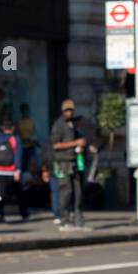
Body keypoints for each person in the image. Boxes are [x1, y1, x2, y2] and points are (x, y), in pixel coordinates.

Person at [49, 98, 86, 229]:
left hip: (74, 161)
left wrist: (80, 147)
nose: (69, 112)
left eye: (71, 110)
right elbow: (55, 145)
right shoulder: (59, 125)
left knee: (78, 191)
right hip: (63, 162)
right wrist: (75, 143)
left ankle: (78, 217)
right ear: (63, 111)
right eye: (67, 110)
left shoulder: (72, 125)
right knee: (66, 191)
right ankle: (64, 217)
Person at [0, 119, 26, 223]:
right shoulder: (15, 139)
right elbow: (18, 155)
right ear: (12, 128)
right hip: (11, 171)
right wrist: (18, 170)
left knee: (0, 194)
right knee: (18, 193)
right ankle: (24, 213)